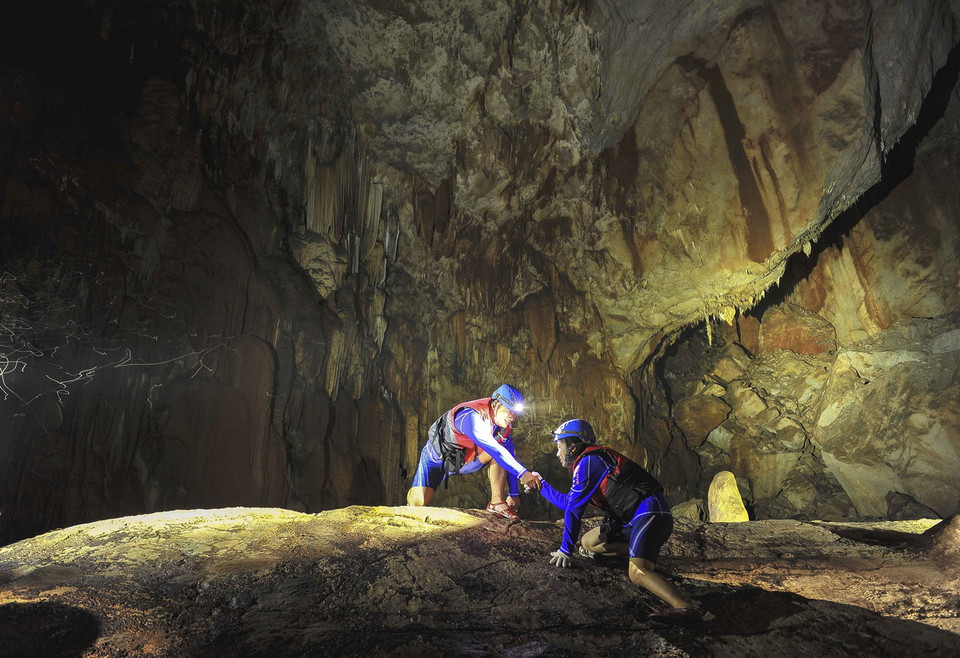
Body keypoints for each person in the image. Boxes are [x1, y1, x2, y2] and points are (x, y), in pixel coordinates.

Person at [537, 419, 701, 623]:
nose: (557, 453)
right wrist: (541, 485)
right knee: (589, 543)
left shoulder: (590, 461)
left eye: (559, 446)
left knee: (637, 573)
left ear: (572, 445)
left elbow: (574, 510)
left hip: (649, 515)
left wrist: (565, 549)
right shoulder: (587, 462)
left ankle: (686, 608)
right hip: (629, 519)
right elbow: (570, 502)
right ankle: (639, 551)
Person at [406, 384, 543, 519]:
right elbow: (494, 449)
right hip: (436, 461)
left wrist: (513, 494)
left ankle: (496, 503)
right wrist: (522, 473)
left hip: (465, 462)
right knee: (418, 504)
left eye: (515, 414)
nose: (512, 418)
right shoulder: (470, 416)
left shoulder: (504, 428)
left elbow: (508, 453)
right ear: (495, 405)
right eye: (509, 411)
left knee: (503, 447)